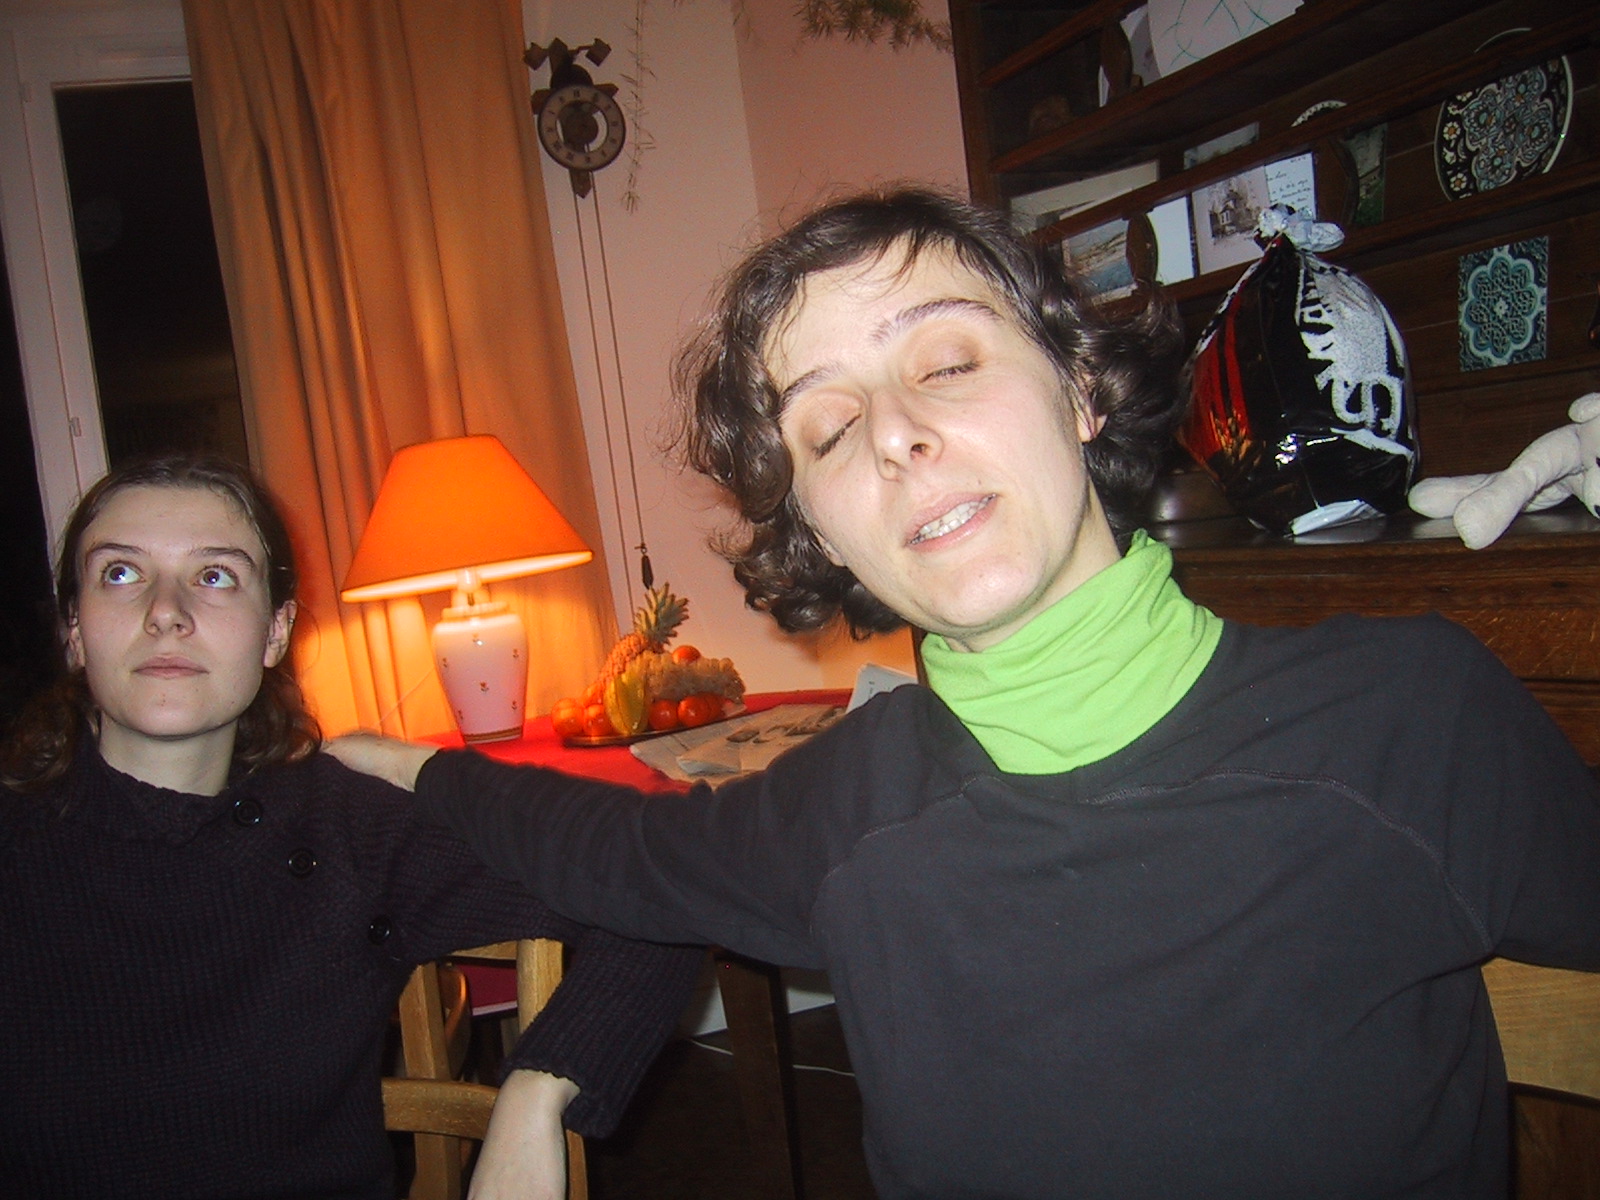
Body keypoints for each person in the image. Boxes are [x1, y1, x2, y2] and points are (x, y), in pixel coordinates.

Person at [329, 188, 1600, 1199]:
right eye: (827, 428)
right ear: (821, 531)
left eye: (944, 361)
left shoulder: (1409, 717)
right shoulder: (840, 812)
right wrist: (413, 767)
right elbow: (611, 850)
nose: (892, 433)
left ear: (1080, 391)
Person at [0, 455, 703, 1200]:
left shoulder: (343, 832)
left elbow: (664, 882)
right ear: (74, 629)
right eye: (120, 573)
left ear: (276, 632)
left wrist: (538, 1090)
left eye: (214, 575)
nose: (165, 612)